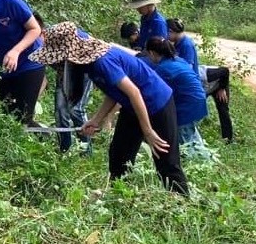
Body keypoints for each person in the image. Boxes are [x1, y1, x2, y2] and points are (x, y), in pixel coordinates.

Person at [30, 22, 189, 194]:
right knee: (119, 156)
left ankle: (182, 200)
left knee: (165, 159)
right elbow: (114, 91)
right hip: (132, 106)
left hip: (157, 103)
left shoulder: (102, 62)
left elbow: (135, 93)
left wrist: (148, 131)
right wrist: (96, 120)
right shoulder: (88, 62)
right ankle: (120, 197)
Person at [142, 37, 214, 161]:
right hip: (197, 100)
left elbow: (154, 94)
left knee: (185, 139)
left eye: (148, 54)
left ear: (152, 53)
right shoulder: (177, 60)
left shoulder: (162, 69)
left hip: (187, 105)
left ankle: (202, 164)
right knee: (189, 133)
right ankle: (205, 159)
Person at [168, 18, 234, 143]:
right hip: (202, 82)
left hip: (213, 81)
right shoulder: (178, 43)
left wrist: (221, 88)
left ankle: (228, 139)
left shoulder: (186, 44)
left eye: (167, 33)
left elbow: (224, 71)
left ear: (171, 31)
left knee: (222, 109)